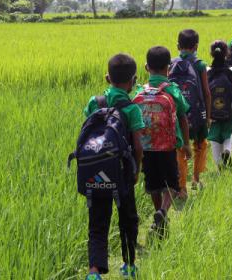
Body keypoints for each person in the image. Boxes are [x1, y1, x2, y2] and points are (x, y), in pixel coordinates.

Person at [83, 54, 144, 280]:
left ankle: (94, 271)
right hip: (122, 172)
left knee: (97, 222)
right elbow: (138, 145)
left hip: (96, 172)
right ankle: (128, 266)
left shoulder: (94, 102)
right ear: (133, 80)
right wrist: (136, 170)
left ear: (107, 78)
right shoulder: (131, 108)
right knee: (128, 218)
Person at [134, 46, 192, 236]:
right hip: (168, 147)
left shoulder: (138, 92)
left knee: (153, 186)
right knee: (172, 186)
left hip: (146, 147)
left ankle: (158, 213)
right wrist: (186, 143)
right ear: (169, 68)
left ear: (146, 67)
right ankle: (163, 211)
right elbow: (183, 117)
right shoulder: (172, 90)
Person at [169, 29, 211, 197]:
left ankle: (181, 188)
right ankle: (196, 178)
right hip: (197, 112)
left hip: (178, 114)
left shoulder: (171, 64)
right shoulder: (200, 64)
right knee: (201, 144)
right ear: (196, 46)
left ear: (178, 46)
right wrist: (208, 116)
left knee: (180, 149)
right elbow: (207, 92)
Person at [207, 41, 232, 171]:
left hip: (213, 113)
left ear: (212, 54)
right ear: (227, 53)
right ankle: (227, 150)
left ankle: (220, 165)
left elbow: (205, 93)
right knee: (228, 134)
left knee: (215, 139)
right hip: (229, 111)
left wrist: (207, 114)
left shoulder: (207, 71)